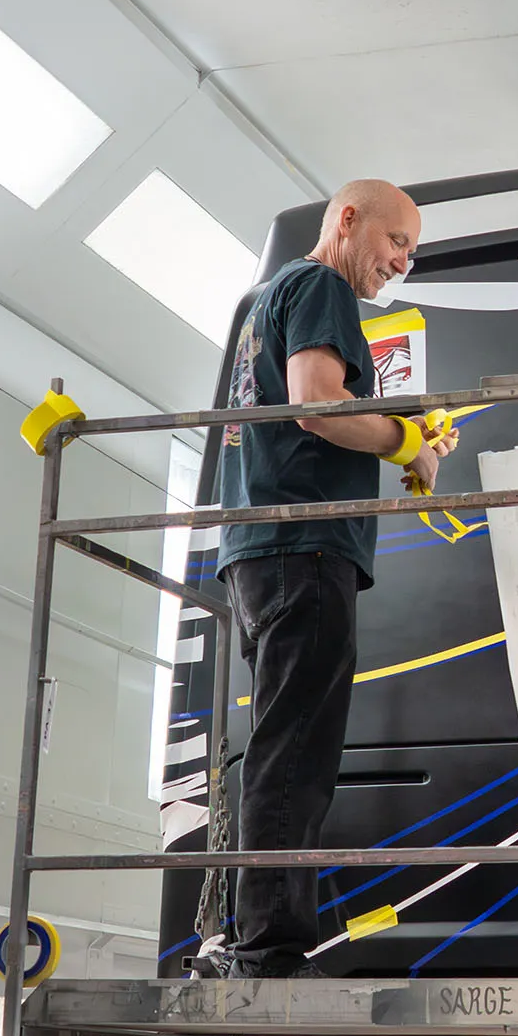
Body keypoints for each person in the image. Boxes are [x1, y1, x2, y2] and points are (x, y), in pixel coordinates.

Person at [215, 179, 450, 977]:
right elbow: (317, 405)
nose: (402, 262)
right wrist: (406, 442)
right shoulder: (318, 284)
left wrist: (396, 431)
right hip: (304, 545)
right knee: (297, 753)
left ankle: (253, 933)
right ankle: (272, 949)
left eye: (411, 253)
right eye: (396, 242)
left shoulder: (264, 301)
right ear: (347, 220)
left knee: (281, 744)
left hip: (262, 547)